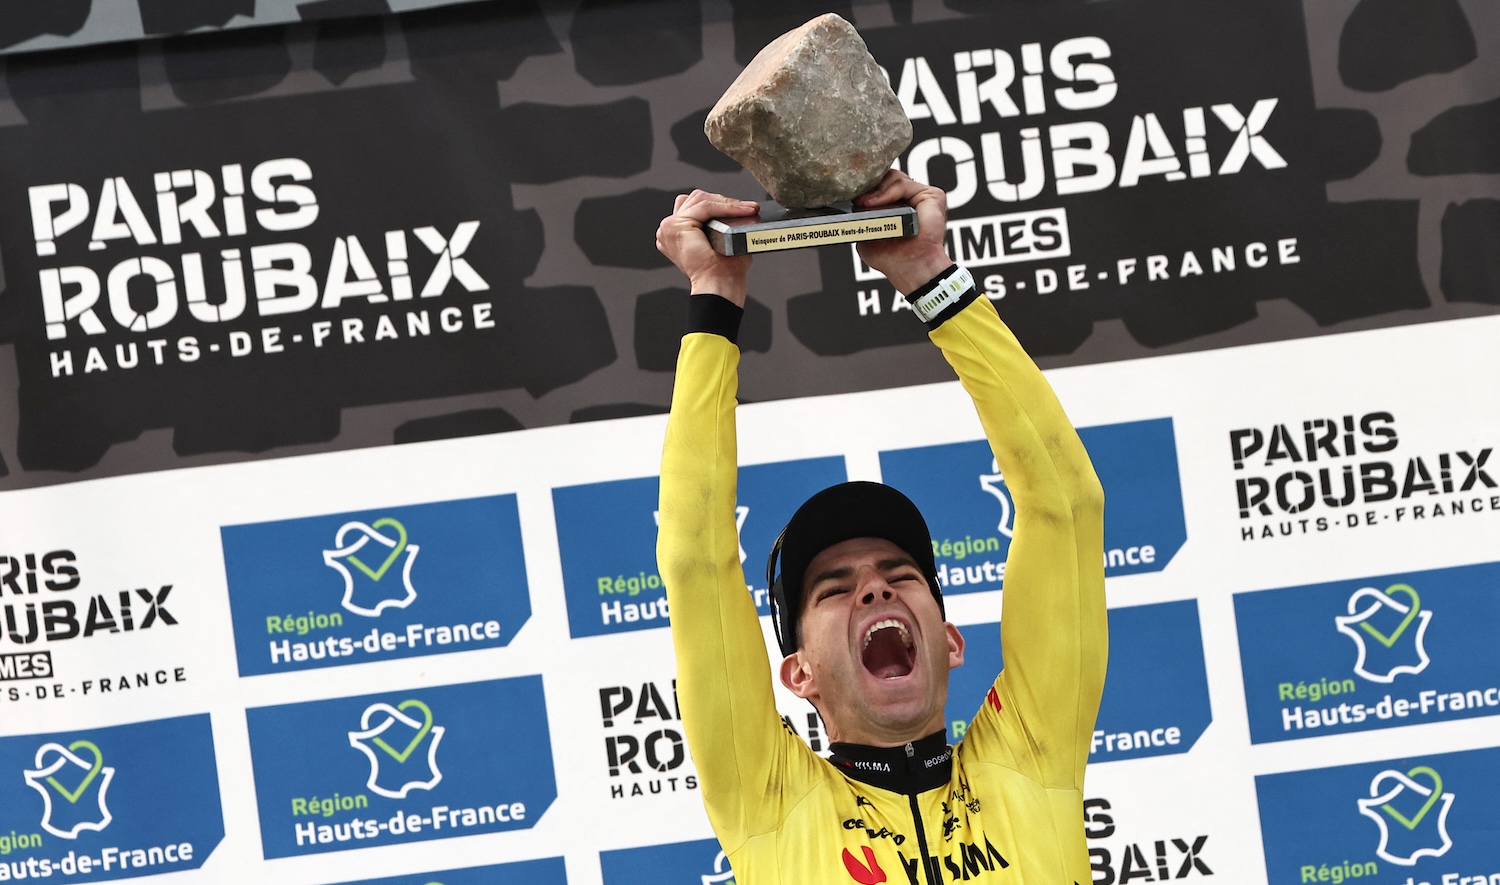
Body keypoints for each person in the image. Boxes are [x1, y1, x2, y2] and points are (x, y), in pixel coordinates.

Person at [655, 170, 1106, 885]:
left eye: (901, 576)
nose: (875, 591)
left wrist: (930, 276)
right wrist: (715, 297)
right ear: (798, 673)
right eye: (835, 589)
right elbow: (696, 562)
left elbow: (1066, 505)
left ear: (952, 641)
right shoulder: (770, 798)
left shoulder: (1031, 752)